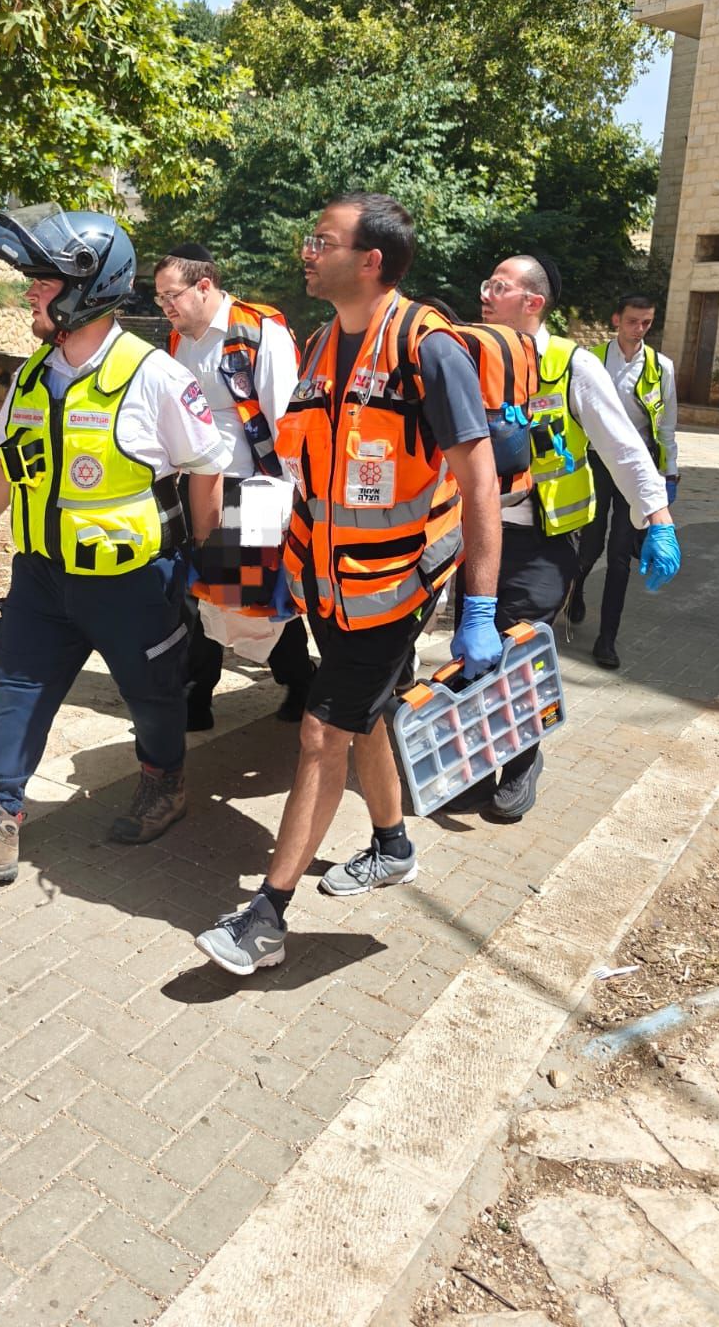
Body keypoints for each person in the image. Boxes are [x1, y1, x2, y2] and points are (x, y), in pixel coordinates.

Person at [195, 192, 505, 975]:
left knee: (320, 733)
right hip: (327, 588)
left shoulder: (429, 350)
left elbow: (480, 487)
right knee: (366, 719)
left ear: (369, 260)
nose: (306, 250)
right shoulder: (322, 343)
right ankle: (393, 843)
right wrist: (252, 559)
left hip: (394, 589)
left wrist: (482, 607)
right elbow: (298, 468)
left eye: (320, 240)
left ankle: (266, 917)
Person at [0, 208, 226, 885]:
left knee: (154, 696)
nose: (29, 292)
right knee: (16, 685)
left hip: (133, 582)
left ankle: (164, 783)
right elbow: (8, 459)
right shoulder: (32, 375)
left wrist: (199, 553)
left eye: (42, 281)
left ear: (87, 289)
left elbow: (205, 466)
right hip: (43, 578)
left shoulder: (155, 376)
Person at [475, 255, 682, 818]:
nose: (485, 294)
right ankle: (487, 752)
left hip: (544, 537)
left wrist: (657, 518)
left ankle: (520, 764)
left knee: (517, 653)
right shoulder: (471, 354)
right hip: (478, 536)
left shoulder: (570, 364)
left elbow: (623, 446)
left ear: (533, 302)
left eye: (499, 285)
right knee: (479, 656)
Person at [154, 242, 314, 729]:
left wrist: (292, 500)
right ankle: (196, 695)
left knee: (250, 600)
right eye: (160, 298)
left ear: (205, 286)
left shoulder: (259, 329)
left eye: (171, 295)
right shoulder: (181, 339)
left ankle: (299, 678)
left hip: (254, 489)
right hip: (197, 484)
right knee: (194, 594)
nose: (166, 307)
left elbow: (286, 417)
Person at [569, 294, 679, 668]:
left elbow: (666, 426)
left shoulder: (660, 367)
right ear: (617, 319)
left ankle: (607, 639)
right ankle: (577, 588)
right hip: (598, 462)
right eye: (633, 321)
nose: (639, 328)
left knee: (620, 556)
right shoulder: (591, 360)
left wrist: (669, 473)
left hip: (638, 466)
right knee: (591, 545)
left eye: (647, 322)